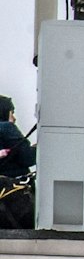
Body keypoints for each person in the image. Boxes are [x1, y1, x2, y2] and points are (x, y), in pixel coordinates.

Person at [0, 95, 34, 230]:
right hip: (12, 199)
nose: (14, 118)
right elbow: (28, 157)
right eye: (12, 112)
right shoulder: (6, 128)